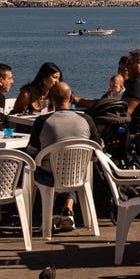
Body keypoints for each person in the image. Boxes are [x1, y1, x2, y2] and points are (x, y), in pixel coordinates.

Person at [25, 81, 100, 232]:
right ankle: (68, 209)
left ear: (51, 100)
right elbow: (98, 148)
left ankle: (49, 213)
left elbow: (31, 152)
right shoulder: (86, 119)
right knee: (69, 168)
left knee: (42, 168)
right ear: (71, 98)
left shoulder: (42, 121)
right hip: (78, 175)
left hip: (50, 176)